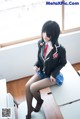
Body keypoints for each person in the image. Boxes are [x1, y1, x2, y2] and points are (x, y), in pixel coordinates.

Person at [25, 20, 67, 119]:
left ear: (55, 35)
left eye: (48, 34)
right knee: (27, 86)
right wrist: (36, 64)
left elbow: (63, 62)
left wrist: (54, 74)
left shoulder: (60, 49)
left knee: (33, 87)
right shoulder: (40, 43)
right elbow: (40, 58)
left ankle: (39, 101)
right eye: (44, 32)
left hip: (53, 75)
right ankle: (29, 109)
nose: (45, 35)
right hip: (43, 71)